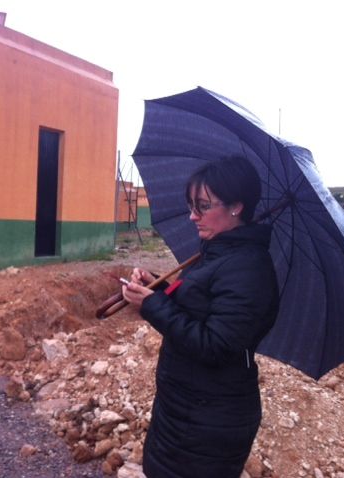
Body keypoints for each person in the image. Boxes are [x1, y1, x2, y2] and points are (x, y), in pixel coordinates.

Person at [122, 155, 279, 478]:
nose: (193, 216)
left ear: (236, 206)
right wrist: (157, 285)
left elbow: (215, 345)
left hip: (211, 421)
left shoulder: (250, 268)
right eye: (191, 206)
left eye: (203, 206)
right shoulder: (217, 252)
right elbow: (196, 302)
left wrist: (152, 305)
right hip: (185, 407)